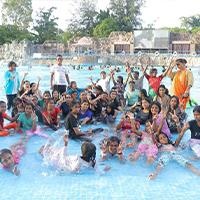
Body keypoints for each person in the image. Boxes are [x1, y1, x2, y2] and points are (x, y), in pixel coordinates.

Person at [41, 134, 111, 174]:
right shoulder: (93, 163)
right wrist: (105, 170)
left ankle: (42, 151)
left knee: (53, 155)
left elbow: (64, 156)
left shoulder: (77, 159)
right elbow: (98, 173)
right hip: (73, 170)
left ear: (82, 152)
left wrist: (66, 143)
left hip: (63, 168)